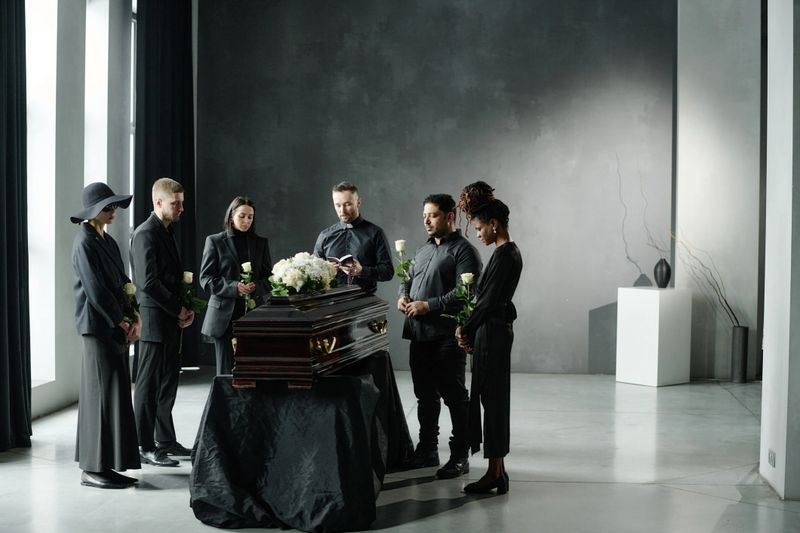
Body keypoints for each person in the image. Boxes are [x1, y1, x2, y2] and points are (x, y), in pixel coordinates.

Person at [398, 194, 482, 479]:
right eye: (424, 215)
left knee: (455, 398)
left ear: (450, 217)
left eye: (432, 215)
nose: (426, 220)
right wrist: (403, 296)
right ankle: (427, 451)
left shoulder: (464, 251)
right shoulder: (423, 250)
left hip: (447, 336)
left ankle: (460, 457)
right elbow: (407, 279)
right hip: (419, 336)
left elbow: (466, 292)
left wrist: (428, 305)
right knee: (425, 398)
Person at [70, 182, 141, 489]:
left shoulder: (107, 241)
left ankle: (107, 464)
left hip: (114, 326)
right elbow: (95, 290)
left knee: (114, 394)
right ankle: (92, 468)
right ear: (93, 211)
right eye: (108, 207)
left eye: (114, 207)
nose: (113, 211)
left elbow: (124, 281)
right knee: (99, 395)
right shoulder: (84, 241)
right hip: (97, 328)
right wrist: (121, 321)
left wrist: (134, 314)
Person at [455, 182, 523, 495]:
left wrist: (465, 328)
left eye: (480, 228)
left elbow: (487, 302)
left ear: (493, 224)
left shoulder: (505, 255)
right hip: (493, 331)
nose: (478, 234)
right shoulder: (506, 252)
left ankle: (495, 473)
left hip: (493, 334)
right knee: (492, 399)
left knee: (492, 400)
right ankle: (498, 470)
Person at [130, 177, 195, 467]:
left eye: (182, 202)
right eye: (175, 203)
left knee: (168, 382)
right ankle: (144, 445)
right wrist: (177, 308)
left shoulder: (166, 231)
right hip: (155, 320)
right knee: (148, 384)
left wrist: (184, 308)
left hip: (169, 319)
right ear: (158, 202)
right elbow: (147, 283)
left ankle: (165, 441)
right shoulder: (146, 233)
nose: (181, 208)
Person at [200, 196, 272, 375]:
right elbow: (206, 279)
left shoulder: (260, 243)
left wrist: (256, 286)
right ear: (231, 216)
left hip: (252, 314)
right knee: (226, 373)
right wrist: (234, 287)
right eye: (242, 216)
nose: (246, 220)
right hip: (223, 317)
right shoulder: (215, 241)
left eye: (250, 217)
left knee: (252, 371)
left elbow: (269, 278)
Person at [313, 181, 393, 294]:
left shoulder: (376, 233)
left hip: (365, 304)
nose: (342, 211)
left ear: (358, 202)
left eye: (347, 204)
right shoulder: (325, 235)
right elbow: (312, 272)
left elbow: (388, 272)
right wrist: (326, 269)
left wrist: (362, 271)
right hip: (331, 304)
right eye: (338, 205)